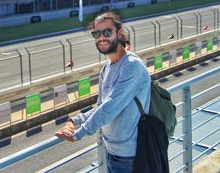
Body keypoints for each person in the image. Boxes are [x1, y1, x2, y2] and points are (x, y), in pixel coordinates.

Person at [55, 11, 151, 173]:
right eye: (96, 33)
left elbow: (110, 107)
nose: (101, 37)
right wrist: (73, 121)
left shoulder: (131, 66)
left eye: (107, 32)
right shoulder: (106, 68)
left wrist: (79, 133)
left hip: (130, 155)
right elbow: (100, 106)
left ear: (119, 33)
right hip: (111, 150)